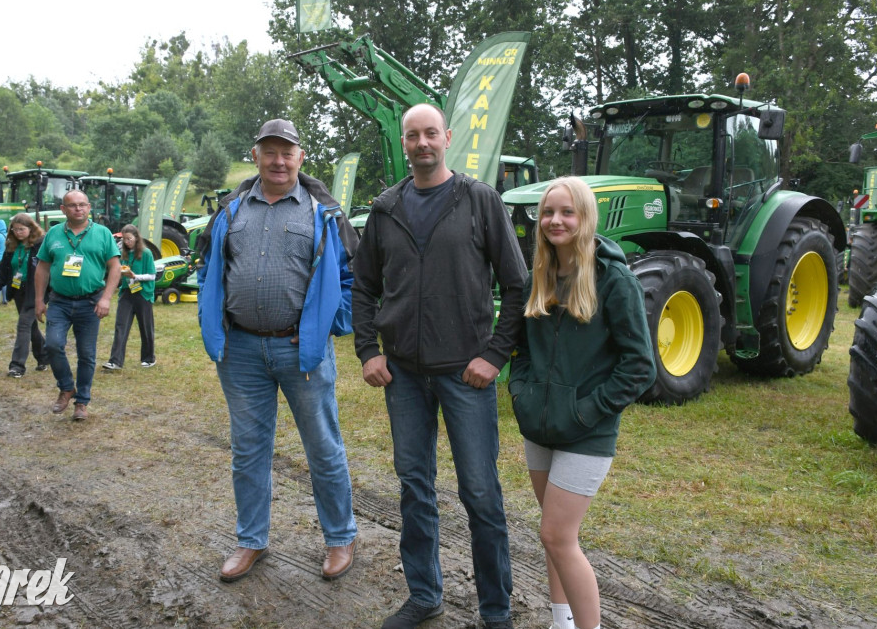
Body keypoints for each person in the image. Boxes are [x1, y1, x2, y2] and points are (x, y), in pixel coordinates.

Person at [352, 102, 528, 629]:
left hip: (465, 374)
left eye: (431, 133)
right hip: (403, 373)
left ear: (447, 137)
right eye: (413, 136)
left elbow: (517, 285)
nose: (423, 143)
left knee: (480, 492)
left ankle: (496, 611)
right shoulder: (385, 210)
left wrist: (495, 355)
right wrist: (368, 350)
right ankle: (425, 595)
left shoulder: (480, 200)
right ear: (403, 143)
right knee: (414, 487)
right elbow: (362, 286)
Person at [197, 118, 360, 584]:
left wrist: (326, 325)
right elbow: (209, 268)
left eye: (287, 151)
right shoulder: (231, 211)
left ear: (300, 157)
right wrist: (212, 321)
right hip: (241, 351)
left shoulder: (322, 212)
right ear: (256, 156)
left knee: (323, 448)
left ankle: (341, 537)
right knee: (248, 451)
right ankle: (251, 541)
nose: (279, 160)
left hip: (301, 352)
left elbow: (353, 278)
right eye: (270, 151)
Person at [508, 177, 656, 629]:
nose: (555, 220)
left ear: (586, 217)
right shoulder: (539, 274)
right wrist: (523, 392)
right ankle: (561, 621)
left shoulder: (614, 279)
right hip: (541, 424)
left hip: (587, 430)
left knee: (557, 535)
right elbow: (521, 350)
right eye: (548, 212)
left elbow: (640, 366)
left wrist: (585, 410)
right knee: (553, 536)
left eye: (567, 212)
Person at [34, 190, 121, 422]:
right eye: (72, 205)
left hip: (91, 302)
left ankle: (82, 401)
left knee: (86, 354)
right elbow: (42, 267)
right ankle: (66, 387)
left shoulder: (102, 234)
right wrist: (39, 299)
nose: (78, 209)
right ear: (63, 209)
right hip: (59, 301)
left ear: (89, 207)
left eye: (82, 205)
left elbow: (115, 267)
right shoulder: (53, 234)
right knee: (52, 344)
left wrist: (106, 298)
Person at [0, 213, 49, 378]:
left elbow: (49, 268)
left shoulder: (41, 245)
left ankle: (17, 366)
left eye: (22, 229)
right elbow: (3, 270)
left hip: (36, 291)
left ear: (31, 228)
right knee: (31, 326)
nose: (18, 232)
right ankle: (44, 357)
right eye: (15, 230)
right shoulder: (12, 246)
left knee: (23, 325)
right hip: (18, 289)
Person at [103, 224, 156, 370]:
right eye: (124, 239)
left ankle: (149, 358)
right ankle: (115, 361)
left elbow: (152, 275)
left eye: (129, 239)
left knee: (145, 327)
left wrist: (135, 276)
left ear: (136, 238)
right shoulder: (122, 254)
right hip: (127, 292)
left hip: (143, 293)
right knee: (121, 325)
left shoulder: (146, 253)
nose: (127, 242)